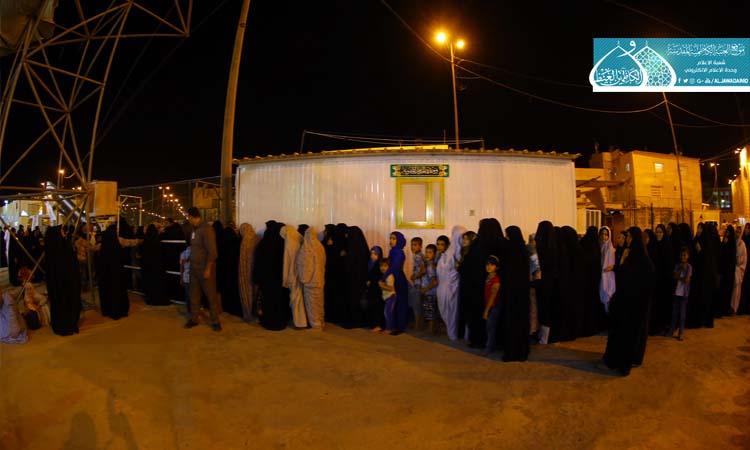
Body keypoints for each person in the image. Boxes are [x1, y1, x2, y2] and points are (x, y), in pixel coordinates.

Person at [603, 226, 655, 376]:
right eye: (628, 237)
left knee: (629, 335)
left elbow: (644, 281)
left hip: (634, 305)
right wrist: (622, 261)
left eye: (630, 237)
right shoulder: (629, 256)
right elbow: (621, 277)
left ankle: (625, 363)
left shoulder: (643, 261)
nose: (628, 240)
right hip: (624, 302)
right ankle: (616, 359)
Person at [184, 208, 222, 331]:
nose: (188, 220)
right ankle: (194, 319)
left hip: (205, 268)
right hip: (194, 268)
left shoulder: (207, 229)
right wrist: (188, 258)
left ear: (193, 217)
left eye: (189, 217)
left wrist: (208, 269)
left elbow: (212, 252)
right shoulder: (194, 230)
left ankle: (215, 321)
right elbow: (195, 248)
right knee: (194, 295)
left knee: (210, 296)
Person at [44, 225, 82, 336]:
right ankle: (66, 325)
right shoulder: (59, 248)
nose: (64, 233)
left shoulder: (58, 246)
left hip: (64, 283)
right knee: (63, 303)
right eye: (61, 231)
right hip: (64, 284)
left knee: (65, 303)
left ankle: (69, 323)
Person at [253, 221, 290, 331]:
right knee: (279, 300)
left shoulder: (264, 243)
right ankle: (280, 321)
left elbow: (259, 262)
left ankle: (269, 321)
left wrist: (257, 278)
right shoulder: (283, 243)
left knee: (268, 301)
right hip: (279, 279)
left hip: (267, 280)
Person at [501, 226, 531, 362]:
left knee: (511, 323)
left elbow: (506, 272)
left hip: (511, 293)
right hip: (522, 293)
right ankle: (522, 352)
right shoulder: (523, 251)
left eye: (507, 236)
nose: (506, 238)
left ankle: (512, 352)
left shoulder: (509, 251)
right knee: (522, 322)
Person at [436, 226, 466, 341]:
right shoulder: (455, 253)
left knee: (450, 312)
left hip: (446, 287)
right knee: (452, 312)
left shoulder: (450, 252)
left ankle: (453, 333)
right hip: (451, 287)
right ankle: (453, 334)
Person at [97, 225, 130, 320]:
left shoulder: (103, 246)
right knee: (117, 291)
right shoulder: (117, 245)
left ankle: (107, 310)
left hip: (105, 275)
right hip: (117, 275)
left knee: (107, 291)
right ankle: (118, 310)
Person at [296, 227, 326, 330]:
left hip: (310, 282)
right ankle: (320, 322)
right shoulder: (320, 246)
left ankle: (315, 324)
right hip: (320, 280)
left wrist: (304, 279)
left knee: (311, 305)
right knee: (319, 303)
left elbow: (304, 264)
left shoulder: (307, 247)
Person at [534, 221, 558, 345]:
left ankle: (542, 336)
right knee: (548, 307)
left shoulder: (539, 247)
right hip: (551, 282)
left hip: (541, 282)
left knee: (542, 307)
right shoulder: (555, 247)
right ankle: (545, 336)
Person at [649, 224, 675, 335]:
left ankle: (664, 326)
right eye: (657, 232)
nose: (658, 234)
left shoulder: (667, 246)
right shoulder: (654, 245)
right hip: (656, 281)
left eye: (660, 232)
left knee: (664, 304)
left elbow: (669, 264)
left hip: (665, 281)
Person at [342, 226, 369, 329]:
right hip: (359, 281)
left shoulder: (353, 251)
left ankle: (354, 321)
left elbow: (350, 266)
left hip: (354, 281)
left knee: (354, 300)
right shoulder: (362, 248)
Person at [281, 224, 307, 328]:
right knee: (300, 297)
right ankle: (302, 321)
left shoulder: (289, 243)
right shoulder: (299, 239)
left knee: (295, 299)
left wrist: (285, 279)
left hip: (292, 274)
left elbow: (287, 262)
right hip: (300, 273)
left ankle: (299, 322)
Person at [383, 232, 409, 333]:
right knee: (393, 303)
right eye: (390, 238)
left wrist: (384, 277)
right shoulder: (393, 251)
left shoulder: (399, 253)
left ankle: (399, 326)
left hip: (398, 279)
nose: (391, 240)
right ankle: (393, 325)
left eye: (394, 239)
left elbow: (394, 267)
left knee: (399, 303)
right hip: (393, 278)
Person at [141, 224, 168, 306]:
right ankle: (158, 299)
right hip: (157, 266)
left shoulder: (145, 241)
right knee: (157, 283)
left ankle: (149, 299)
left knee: (149, 283)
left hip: (147, 266)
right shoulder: (157, 241)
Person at [668, 247, 692, 341]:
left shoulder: (689, 267)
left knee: (682, 315)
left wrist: (680, 277)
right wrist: (680, 270)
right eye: (682, 255)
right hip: (676, 293)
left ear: (688, 256)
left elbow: (687, 280)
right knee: (674, 314)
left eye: (685, 255)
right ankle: (671, 331)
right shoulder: (678, 265)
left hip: (684, 295)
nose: (683, 257)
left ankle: (680, 333)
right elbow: (674, 276)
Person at [482, 255, 501, 356]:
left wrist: (486, 310)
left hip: (493, 307)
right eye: (487, 264)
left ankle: (489, 348)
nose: (489, 267)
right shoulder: (488, 277)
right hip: (489, 305)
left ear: (496, 267)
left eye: (492, 265)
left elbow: (493, 297)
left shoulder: (496, 280)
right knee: (489, 327)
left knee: (491, 327)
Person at [238, 223, 258, 322]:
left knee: (246, 291)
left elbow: (242, 260)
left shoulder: (245, 241)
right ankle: (254, 312)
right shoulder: (256, 238)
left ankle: (248, 313)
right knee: (255, 291)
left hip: (246, 271)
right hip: (255, 270)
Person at [717, 225, 736, 317]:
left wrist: (726, 245)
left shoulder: (732, 244)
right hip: (723, 271)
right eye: (726, 232)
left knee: (727, 291)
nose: (727, 234)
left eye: (728, 232)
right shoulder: (724, 242)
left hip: (729, 272)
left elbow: (731, 258)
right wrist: (724, 244)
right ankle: (721, 309)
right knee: (722, 290)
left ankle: (725, 309)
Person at [420, 244, 439, 334]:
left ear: (434, 255)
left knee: (430, 310)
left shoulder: (430, 266)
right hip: (430, 292)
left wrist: (425, 289)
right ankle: (432, 328)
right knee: (430, 310)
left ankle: (431, 330)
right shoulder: (428, 265)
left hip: (430, 292)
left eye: (430, 252)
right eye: (426, 252)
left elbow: (434, 282)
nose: (427, 254)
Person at [409, 237, 426, 330]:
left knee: (416, 304)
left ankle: (417, 325)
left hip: (418, 283)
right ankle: (421, 323)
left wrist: (415, 277)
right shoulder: (421, 255)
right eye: (412, 245)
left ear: (420, 246)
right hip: (422, 283)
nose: (413, 247)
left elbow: (423, 270)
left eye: (415, 245)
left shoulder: (417, 256)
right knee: (420, 304)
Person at [366, 246, 384, 331]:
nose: (373, 256)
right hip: (371, 290)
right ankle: (373, 324)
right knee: (372, 306)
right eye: (371, 254)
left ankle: (378, 325)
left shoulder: (380, 265)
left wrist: (372, 281)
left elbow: (379, 277)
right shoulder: (369, 263)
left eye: (375, 254)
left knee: (377, 306)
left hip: (377, 290)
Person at [378, 257, 397, 335]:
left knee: (387, 313)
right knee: (388, 312)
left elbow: (391, 288)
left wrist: (381, 285)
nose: (383, 268)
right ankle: (390, 327)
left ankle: (389, 328)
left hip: (391, 296)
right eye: (381, 266)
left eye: (385, 266)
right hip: (387, 297)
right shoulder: (384, 276)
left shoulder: (389, 276)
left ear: (389, 267)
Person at [599, 226, 616, 315]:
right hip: (600, 275)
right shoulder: (599, 247)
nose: (604, 236)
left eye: (606, 235)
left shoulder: (610, 249)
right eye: (602, 234)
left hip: (607, 276)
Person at [731, 227, 747, 315]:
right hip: (733, 269)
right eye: (736, 232)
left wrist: (740, 266)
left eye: (739, 232)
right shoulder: (733, 242)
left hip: (739, 269)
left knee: (737, 290)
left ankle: (735, 307)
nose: (737, 234)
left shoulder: (742, 244)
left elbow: (745, 258)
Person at [740, 223, 750, 315]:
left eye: (748, 228)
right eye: (746, 228)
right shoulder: (742, 240)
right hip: (743, 267)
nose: (747, 230)